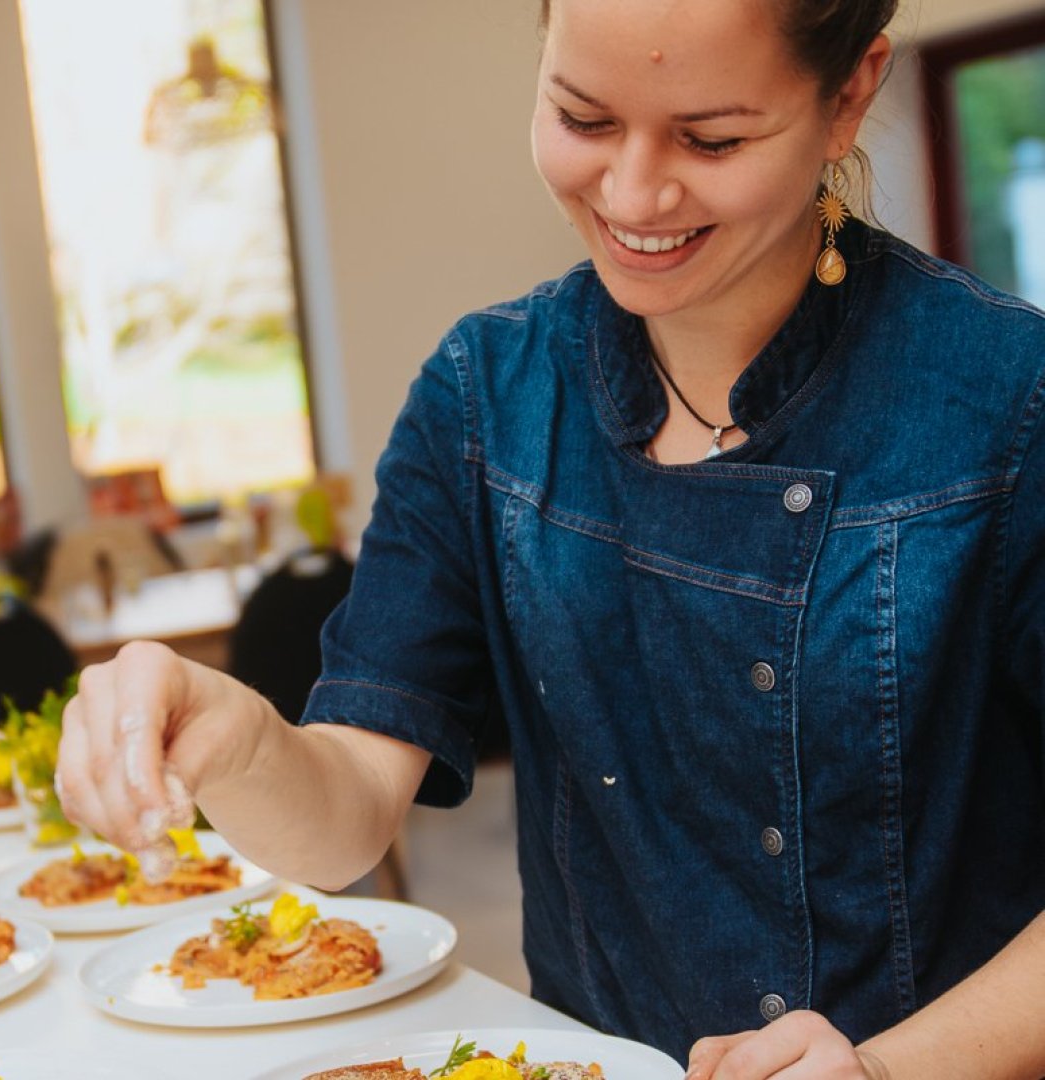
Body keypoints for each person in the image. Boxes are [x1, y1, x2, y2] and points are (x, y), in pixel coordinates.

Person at [55, 0, 1045, 1075]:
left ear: (849, 93)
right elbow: (344, 821)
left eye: (711, 139)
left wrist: (887, 1069)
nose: (632, 194)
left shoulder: (1008, 401)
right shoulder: (487, 395)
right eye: (583, 118)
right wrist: (235, 742)